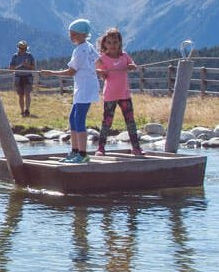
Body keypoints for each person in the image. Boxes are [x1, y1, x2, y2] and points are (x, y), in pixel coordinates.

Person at [41, 18, 101, 163]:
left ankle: (82, 154)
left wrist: (51, 73)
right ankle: (75, 151)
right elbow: (98, 61)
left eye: (73, 34)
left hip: (85, 88)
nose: (70, 37)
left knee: (79, 120)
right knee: (73, 119)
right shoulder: (88, 46)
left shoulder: (81, 50)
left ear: (82, 34)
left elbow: (71, 71)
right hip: (83, 87)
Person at [94, 27, 143, 156]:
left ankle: (136, 148)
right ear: (104, 44)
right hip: (110, 95)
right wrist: (101, 73)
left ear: (120, 43)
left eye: (115, 42)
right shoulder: (102, 59)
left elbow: (133, 65)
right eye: (109, 43)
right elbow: (98, 72)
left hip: (124, 95)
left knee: (130, 122)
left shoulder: (125, 56)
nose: (112, 45)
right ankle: (101, 148)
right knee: (107, 122)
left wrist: (131, 66)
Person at [8, 40, 36, 117]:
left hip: (28, 77)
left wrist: (27, 65)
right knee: (21, 95)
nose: (22, 50)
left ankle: (27, 110)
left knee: (27, 94)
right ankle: (22, 111)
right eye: (21, 48)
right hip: (18, 77)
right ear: (18, 48)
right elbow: (11, 69)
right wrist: (20, 65)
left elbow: (33, 67)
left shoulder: (30, 56)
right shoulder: (15, 56)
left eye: (24, 48)